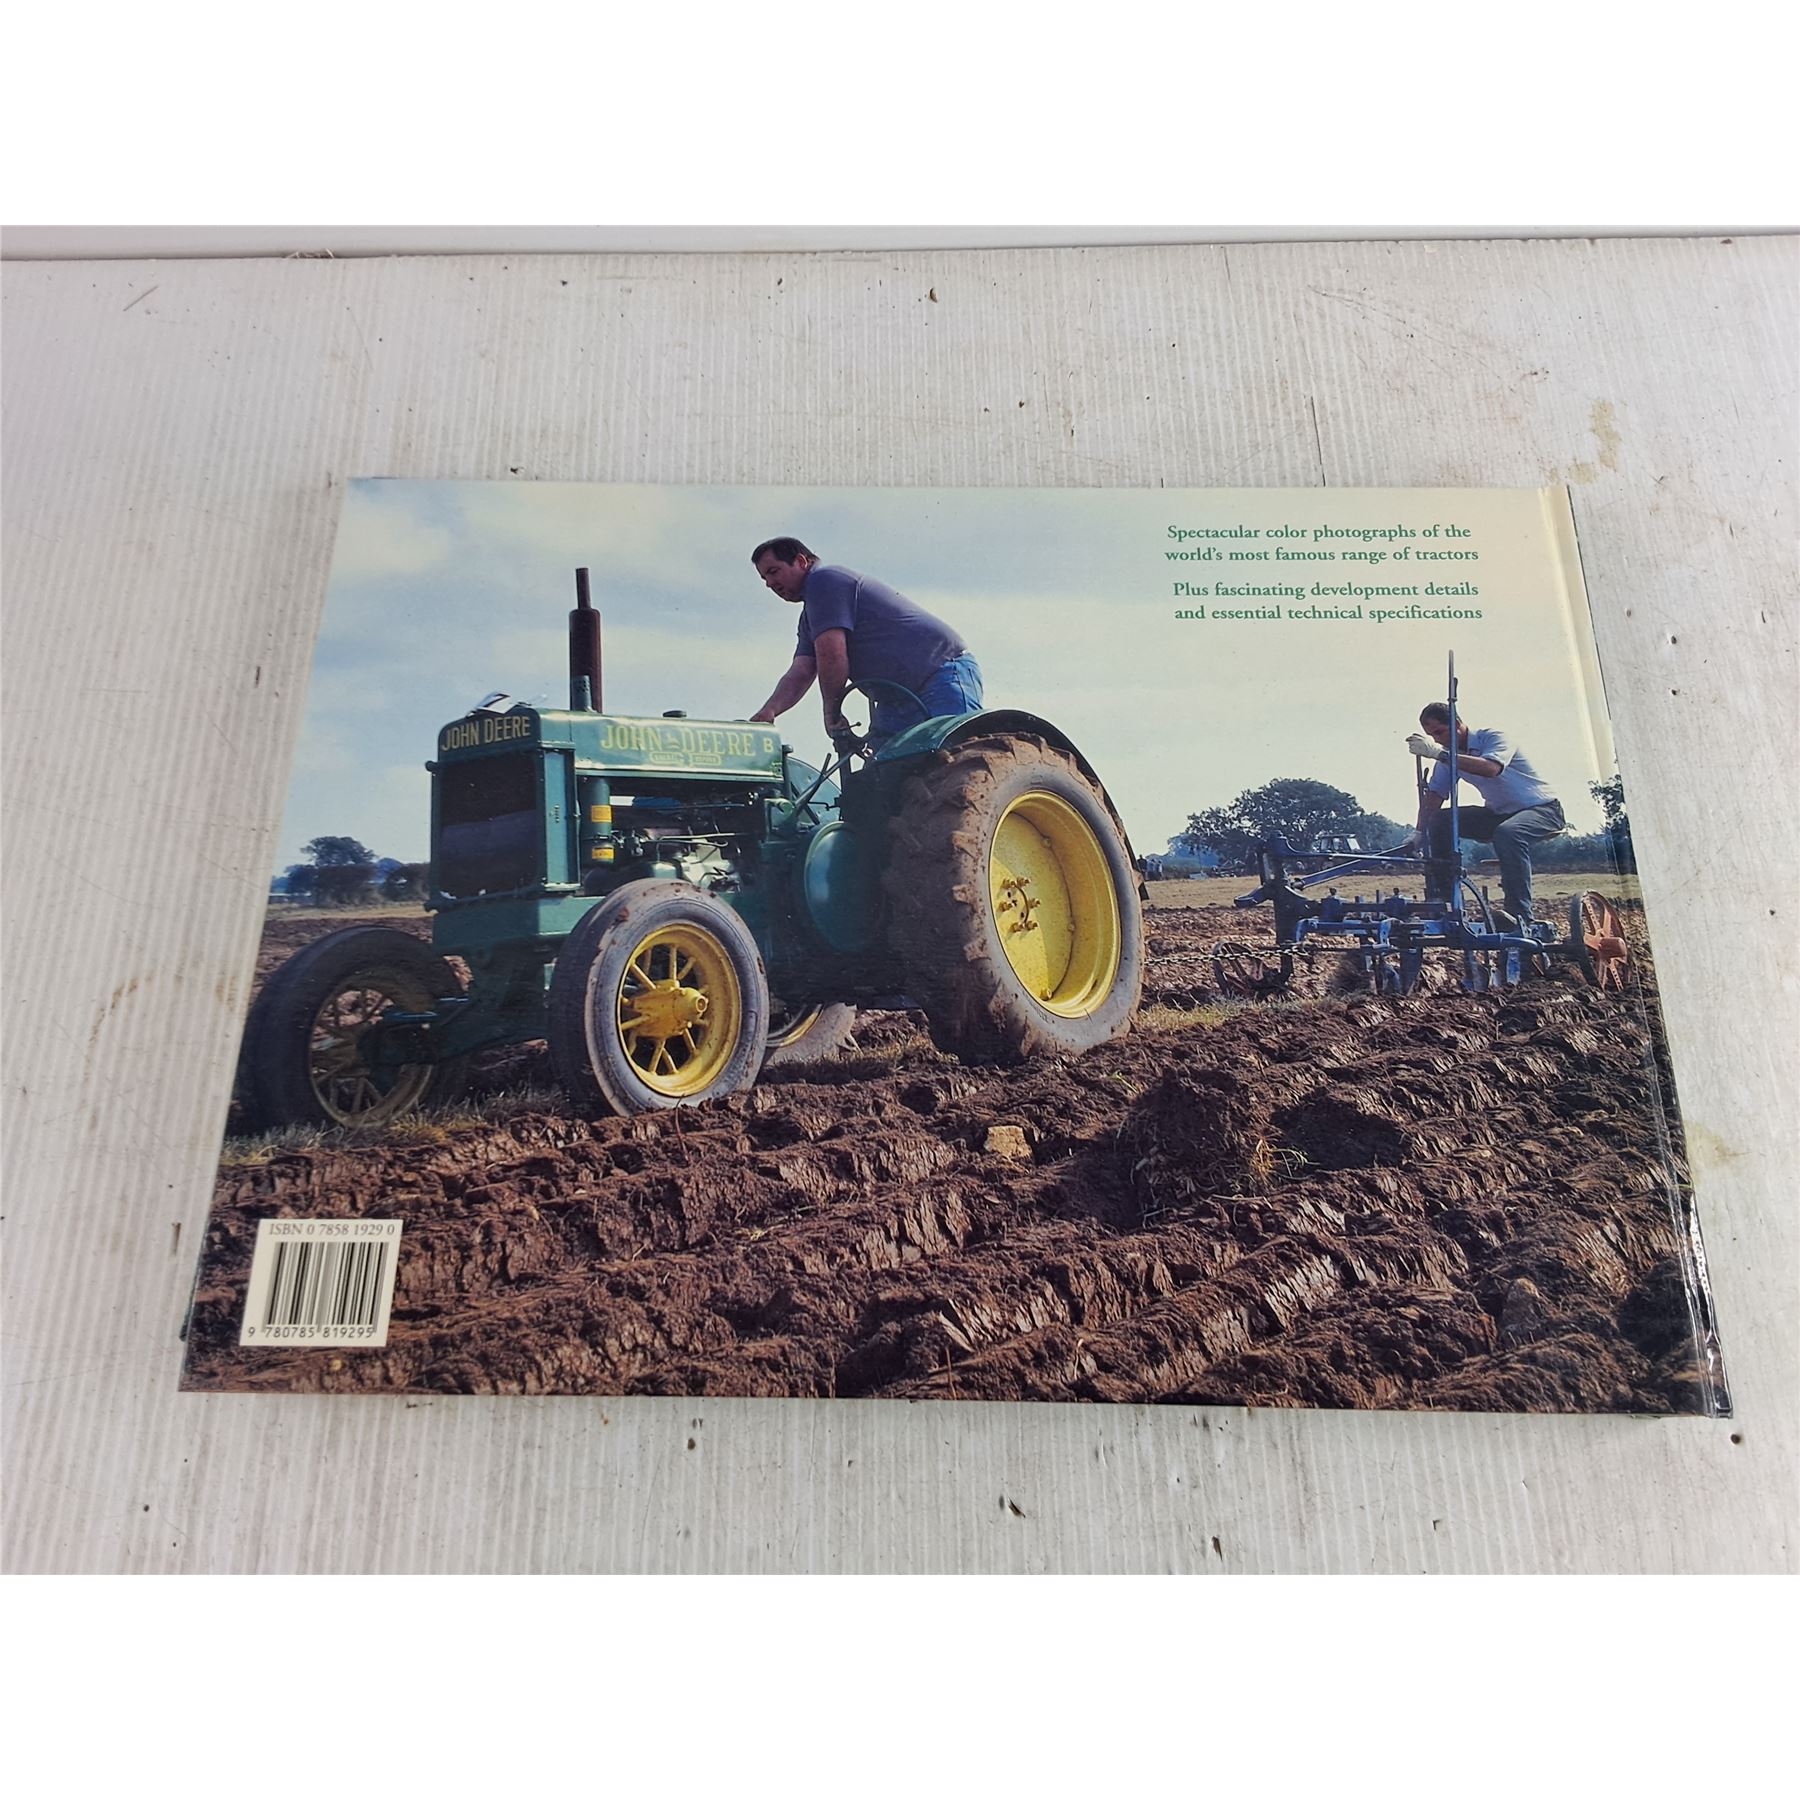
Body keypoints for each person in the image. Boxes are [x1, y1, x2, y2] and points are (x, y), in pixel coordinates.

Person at [747, 538, 983, 749]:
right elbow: (802, 670)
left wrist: (831, 711)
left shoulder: (824, 580)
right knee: (883, 775)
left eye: (774, 571)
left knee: (958, 756)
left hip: (941, 677)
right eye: (764, 578)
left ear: (801, 561)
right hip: (895, 701)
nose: (770, 583)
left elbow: (832, 654)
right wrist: (769, 711)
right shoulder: (810, 617)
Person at [1401, 703, 1565, 928]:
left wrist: (1441, 754)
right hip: (1499, 814)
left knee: (1509, 833)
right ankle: (1447, 904)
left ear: (1456, 724)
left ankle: (1519, 916)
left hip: (1542, 810)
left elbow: (1491, 768)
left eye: (1440, 732)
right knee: (1440, 821)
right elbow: (1435, 795)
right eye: (1432, 736)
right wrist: (1420, 832)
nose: (1437, 740)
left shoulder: (1493, 738)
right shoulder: (1448, 756)